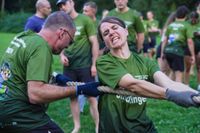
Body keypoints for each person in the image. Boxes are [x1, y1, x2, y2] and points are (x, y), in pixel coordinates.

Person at [0, 11, 101, 133]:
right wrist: (79, 89)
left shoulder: (23, 37)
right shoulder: (41, 46)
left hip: (4, 109)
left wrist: (56, 76)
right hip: (21, 114)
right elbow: (36, 94)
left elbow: (21, 67)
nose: (68, 46)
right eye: (70, 41)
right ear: (62, 33)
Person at [96, 16, 200, 132]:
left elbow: (169, 83)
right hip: (115, 129)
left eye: (115, 27)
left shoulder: (146, 62)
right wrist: (170, 95)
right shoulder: (103, 62)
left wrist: (195, 94)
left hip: (142, 127)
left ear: (126, 31)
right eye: (106, 33)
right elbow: (132, 84)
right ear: (104, 42)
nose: (111, 32)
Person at [56, 0, 99, 133]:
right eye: (60, 6)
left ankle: (98, 126)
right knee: (72, 96)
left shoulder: (85, 20)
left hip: (85, 66)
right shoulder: (62, 22)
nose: (62, 7)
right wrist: (61, 55)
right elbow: (60, 42)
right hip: (69, 68)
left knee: (91, 97)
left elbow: (94, 42)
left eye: (64, 4)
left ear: (72, 2)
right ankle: (77, 126)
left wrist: (94, 64)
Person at [161, 5, 195, 82]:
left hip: (168, 51)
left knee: (172, 72)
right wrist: (193, 55)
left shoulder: (170, 25)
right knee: (178, 76)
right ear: (186, 15)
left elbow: (165, 40)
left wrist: (162, 52)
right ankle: (176, 93)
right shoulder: (186, 25)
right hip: (177, 52)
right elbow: (190, 41)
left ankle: (167, 90)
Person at [186, 11, 200, 90]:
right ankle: (187, 85)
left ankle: (199, 85)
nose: (193, 21)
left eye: (195, 20)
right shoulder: (187, 24)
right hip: (188, 48)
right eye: (192, 19)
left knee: (199, 67)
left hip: (198, 47)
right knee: (187, 67)